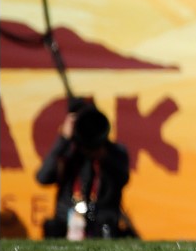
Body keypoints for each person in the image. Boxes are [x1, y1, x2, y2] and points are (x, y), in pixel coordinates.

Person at [35, 101, 137, 240]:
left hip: (103, 228)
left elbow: (123, 179)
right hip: (66, 227)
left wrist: (104, 156)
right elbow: (43, 177)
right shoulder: (68, 151)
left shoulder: (115, 152)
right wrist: (63, 139)